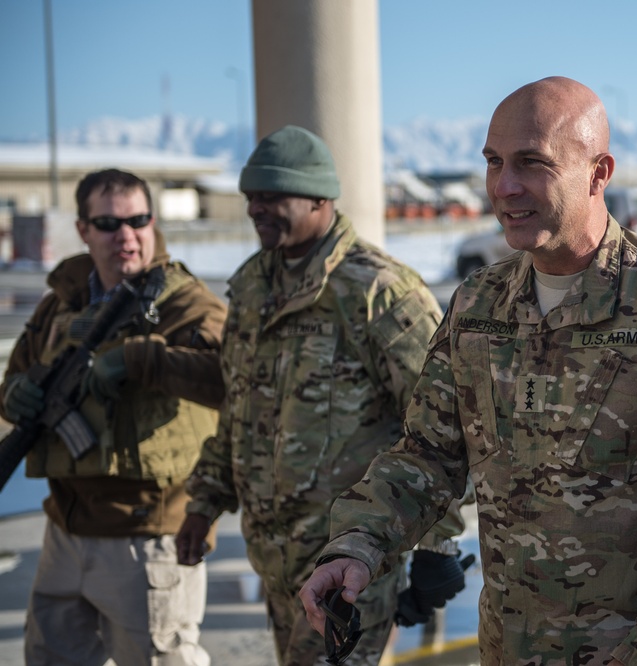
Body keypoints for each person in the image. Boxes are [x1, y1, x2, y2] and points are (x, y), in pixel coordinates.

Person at [299, 77, 637, 665]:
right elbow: (428, 455)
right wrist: (357, 546)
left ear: (599, 173)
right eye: (494, 162)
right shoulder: (479, 306)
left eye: (531, 163)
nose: (504, 187)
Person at [176, 125, 468, 666]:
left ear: (319, 198)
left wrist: (439, 545)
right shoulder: (251, 288)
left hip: (349, 563)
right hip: (272, 560)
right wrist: (205, 502)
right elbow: (238, 410)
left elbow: (443, 426)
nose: (256, 209)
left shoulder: (377, 291)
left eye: (272, 197)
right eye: (251, 197)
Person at [0, 168, 226, 665]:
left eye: (138, 219)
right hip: (65, 529)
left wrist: (146, 359)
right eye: (108, 223)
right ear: (83, 230)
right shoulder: (61, 302)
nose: (126, 235)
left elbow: (232, 379)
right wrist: (15, 392)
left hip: (147, 537)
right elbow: (16, 372)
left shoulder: (183, 302)